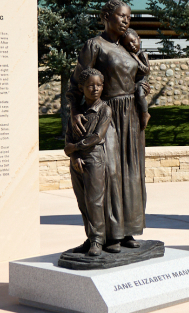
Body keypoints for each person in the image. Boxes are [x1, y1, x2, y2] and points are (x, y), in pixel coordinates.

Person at [67, 0, 150, 252]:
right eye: (121, 16)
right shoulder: (94, 45)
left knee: (131, 173)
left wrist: (142, 87)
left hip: (131, 116)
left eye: (129, 17)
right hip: (109, 115)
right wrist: (74, 111)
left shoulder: (127, 45)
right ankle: (110, 235)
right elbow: (76, 84)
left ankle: (127, 231)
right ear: (106, 16)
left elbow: (141, 76)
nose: (126, 21)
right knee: (111, 173)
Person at [65, 68, 120, 256]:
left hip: (95, 159)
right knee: (83, 203)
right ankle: (90, 238)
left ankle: (98, 239)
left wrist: (76, 147)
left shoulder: (104, 109)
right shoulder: (76, 114)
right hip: (77, 162)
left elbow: (97, 136)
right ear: (81, 87)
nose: (95, 88)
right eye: (90, 85)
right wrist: (74, 156)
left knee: (94, 202)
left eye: (99, 85)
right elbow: (68, 141)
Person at [121, 28, 152, 128]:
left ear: (139, 39)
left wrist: (136, 58)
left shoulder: (142, 54)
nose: (132, 45)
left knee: (140, 94)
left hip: (141, 81)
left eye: (133, 41)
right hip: (133, 82)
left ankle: (145, 113)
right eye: (127, 44)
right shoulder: (127, 55)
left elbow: (146, 70)